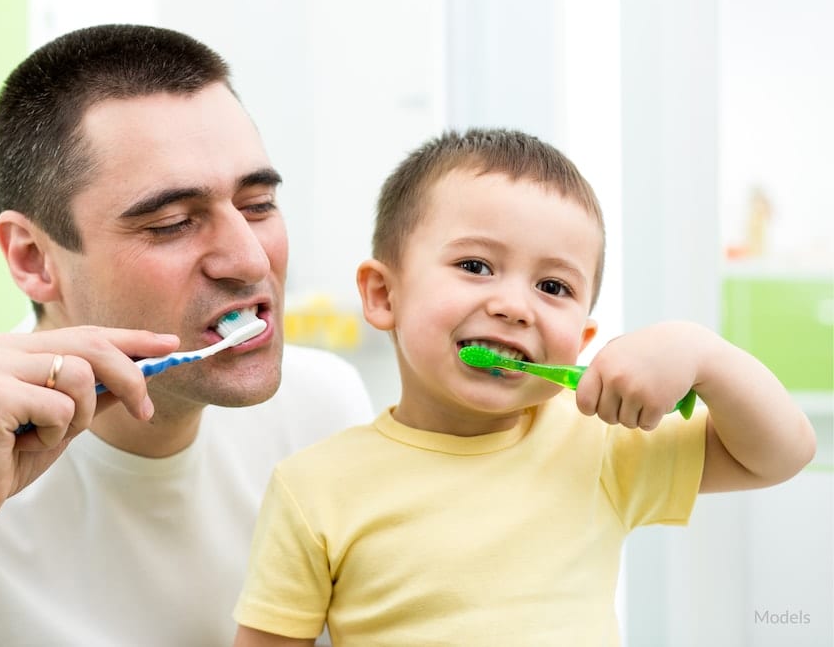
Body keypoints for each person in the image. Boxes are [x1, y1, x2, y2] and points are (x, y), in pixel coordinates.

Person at [0, 24, 374, 646]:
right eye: (173, 223)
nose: (250, 260)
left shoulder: (325, 409)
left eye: (257, 205)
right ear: (34, 258)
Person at [231, 128, 816, 646]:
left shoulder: (599, 443)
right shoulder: (314, 489)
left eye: (554, 286)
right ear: (385, 295)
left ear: (582, 338)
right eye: (476, 266)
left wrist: (705, 355)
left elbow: (781, 454)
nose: (514, 306)